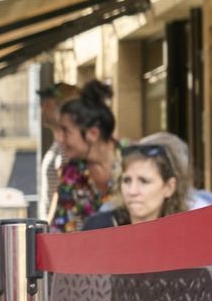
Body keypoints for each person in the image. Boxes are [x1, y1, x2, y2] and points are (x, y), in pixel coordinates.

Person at [51, 80, 121, 232]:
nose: (59, 139)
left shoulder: (134, 161)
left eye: (65, 131)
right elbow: (59, 229)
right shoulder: (71, 173)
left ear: (93, 133)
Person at [84, 136, 193, 228]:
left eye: (144, 181)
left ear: (169, 187)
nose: (132, 191)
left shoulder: (184, 231)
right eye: (127, 181)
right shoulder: (97, 227)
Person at [35, 82, 79, 221]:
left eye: (48, 103)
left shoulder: (70, 146)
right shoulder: (59, 143)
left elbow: (61, 192)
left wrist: (49, 228)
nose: (42, 108)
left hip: (61, 231)